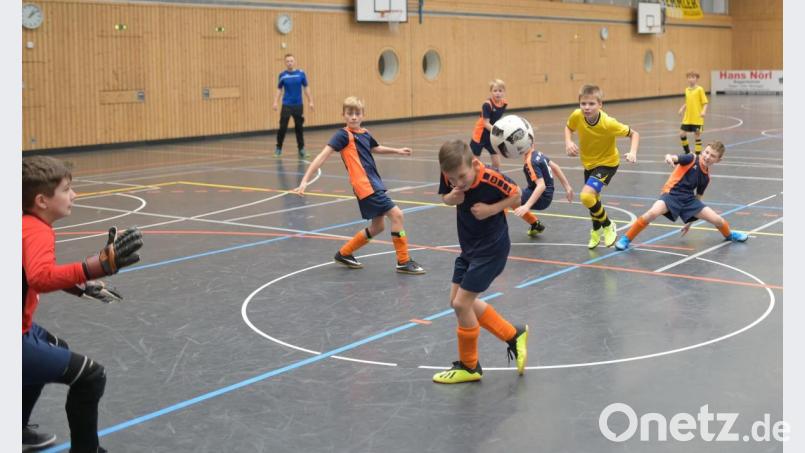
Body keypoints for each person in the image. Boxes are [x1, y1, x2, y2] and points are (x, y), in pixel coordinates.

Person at [22, 156, 143, 452]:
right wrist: (93, 267)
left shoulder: (23, 223)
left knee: (55, 350)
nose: (73, 195)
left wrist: (81, 286)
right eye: (66, 189)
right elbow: (39, 276)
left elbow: (27, 273)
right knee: (91, 376)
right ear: (41, 200)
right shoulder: (36, 230)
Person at [293, 96, 425, 274]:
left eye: (357, 113)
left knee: (378, 226)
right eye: (350, 113)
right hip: (365, 186)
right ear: (343, 115)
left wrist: (397, 151)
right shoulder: (342, 135)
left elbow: (375, 148)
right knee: (397, 215)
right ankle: (403, 261)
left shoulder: (364, 133)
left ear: (363, 115)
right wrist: (304, 181)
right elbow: (322, 156)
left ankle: (344, 253)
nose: (354, 117)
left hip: (374, 184)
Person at [432, 140, 528, 384]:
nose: (458, 182)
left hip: (492, 249)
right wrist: (451, 197)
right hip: (469, 249)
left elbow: (517, 196)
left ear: (474, 163)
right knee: (456, 302)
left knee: (462, 304)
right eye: (452, 179)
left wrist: (492, 209)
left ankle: (470, 366)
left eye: (462, 176)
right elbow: (445, 198)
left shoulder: (491, 178)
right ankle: (513, 334)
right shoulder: (451, 174)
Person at [615, 141, 748, 250]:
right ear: (702, 151)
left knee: (717, 220)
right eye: (706, 152)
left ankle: (729, 235)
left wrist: (690, 222)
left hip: (689, 200)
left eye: (712, 156)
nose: (707, 157)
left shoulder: (706, 177)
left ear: (718, 160)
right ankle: (626, 238)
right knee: (652, 213)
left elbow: (698, 199)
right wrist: (669, 158)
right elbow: (674, 157)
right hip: (671, 194)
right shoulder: (691, 159)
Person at [565, 84, 640, 249]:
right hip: (588, 163)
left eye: (591, 104)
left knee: (585, 196)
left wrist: (632, 152)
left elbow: (634, 134)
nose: (586, 107)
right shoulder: (577, 116)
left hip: (607, 163)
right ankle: (596, 229)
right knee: (593, 199)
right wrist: (568, 141)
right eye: (583, 103)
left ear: (600, 105)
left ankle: (608, 224)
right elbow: (569, 127)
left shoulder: (608, 123)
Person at [512, 145, 575, 235]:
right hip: (544, 194)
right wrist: (567, 187)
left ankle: (534, 224)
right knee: (512, 192)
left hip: (542, 197)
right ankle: (535, 224)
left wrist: (527, 206)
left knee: (510, 197)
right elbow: (555, 166)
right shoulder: (538, 154)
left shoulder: (531, 161)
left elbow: (541, 186)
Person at [273, 53, 314, 158]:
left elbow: (306, 88)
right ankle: (278, 148)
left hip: (298, 105)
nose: (289, 63)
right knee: (282, 127)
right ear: (285, 63)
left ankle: (301, 149)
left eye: (291, 61)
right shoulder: (282, 75)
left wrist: (310, 101)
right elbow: (279, 89)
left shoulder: (301, 74)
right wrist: (275, 102)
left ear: (294, 62)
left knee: (299, 128)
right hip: (286, 105)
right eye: (287, 61)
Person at [469, 79, 507, 169]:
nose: (497, 93)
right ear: (491, 92)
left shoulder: (504, 104)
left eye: (500, 91)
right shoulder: (487, 105)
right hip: (480, 135)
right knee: (475, 164)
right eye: (495, 91)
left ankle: (495, 178)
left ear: (504, 92)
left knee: (496, 163)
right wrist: (499, 133)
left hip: (491, 135)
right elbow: (486, 123)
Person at [678, 70, 709, 155]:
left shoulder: (700, 89)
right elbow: (687, 102)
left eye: (693, 77)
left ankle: (698, 155)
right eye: (689, 77)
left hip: (697, 118)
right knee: (682, 134)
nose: (691, 79)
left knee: (697, 136)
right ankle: (687, 152)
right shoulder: (687, 90)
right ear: (687, 79)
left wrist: (703, 111)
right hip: (688, 118)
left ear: (697, 79)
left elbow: (705, 102)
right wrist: (682, 108)